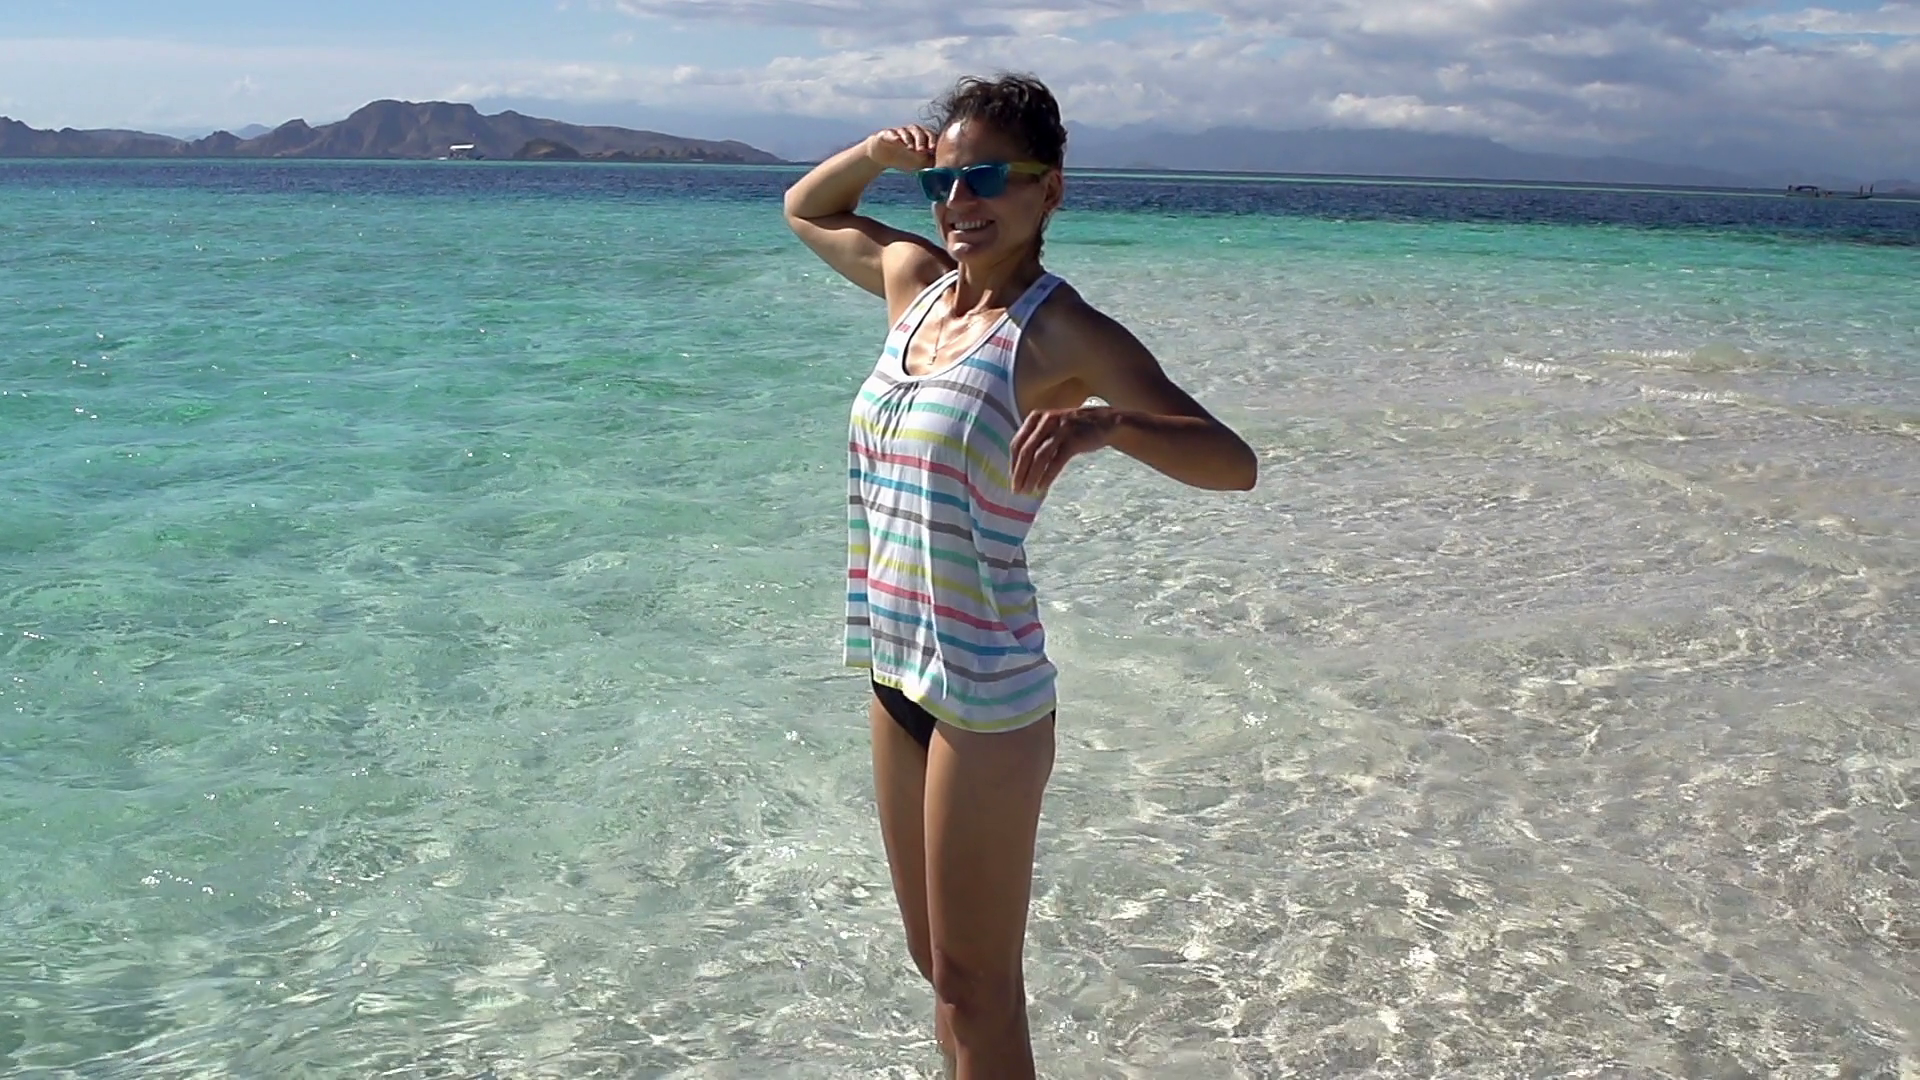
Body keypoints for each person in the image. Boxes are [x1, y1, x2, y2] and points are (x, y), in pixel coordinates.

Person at [782, 73, 1257, 1079]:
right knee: (938, 969)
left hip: (986, 697)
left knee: (978, 988)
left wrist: (1108, 424)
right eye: (944, 183)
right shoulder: (914, 286)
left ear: (1051, 190)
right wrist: (877, 156)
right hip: (896, 669)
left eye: (989, 179)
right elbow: (806, 209)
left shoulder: (1058, 332)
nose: (960, 202)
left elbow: (1232, 463)